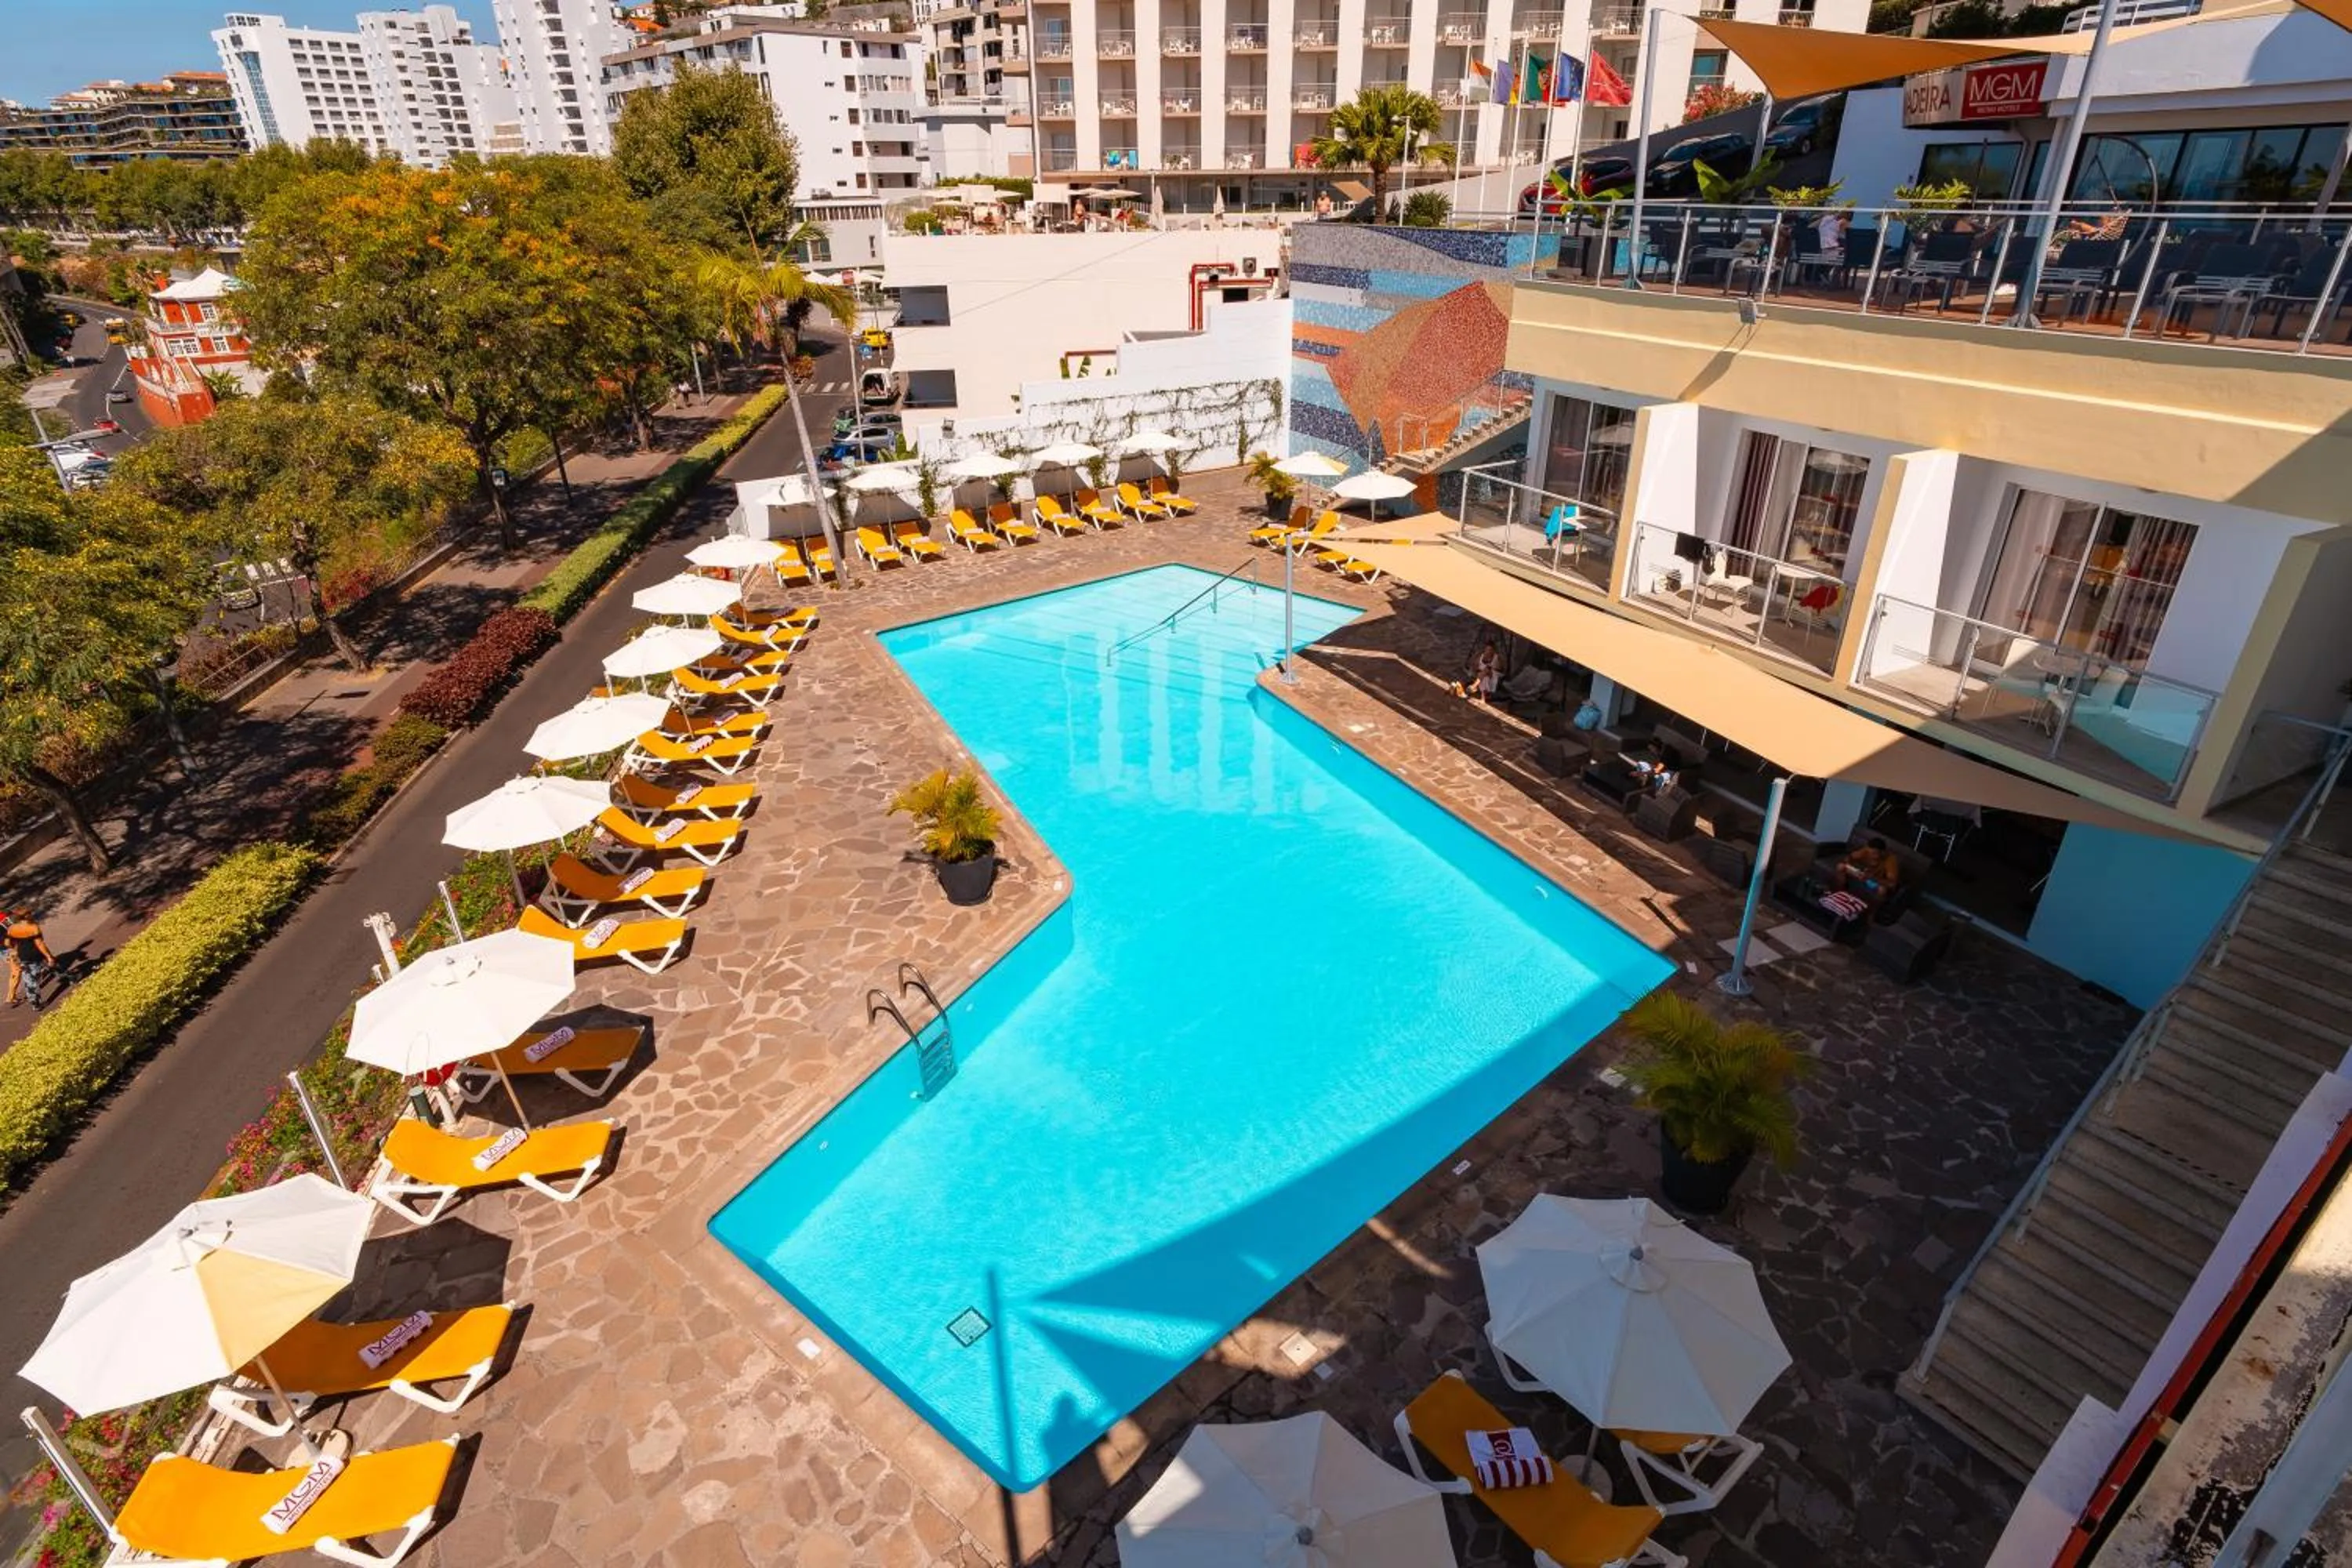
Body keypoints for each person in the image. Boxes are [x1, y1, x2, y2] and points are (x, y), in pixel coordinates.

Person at [3, 910, 56, 1009]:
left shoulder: (9, 923)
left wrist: (15, 947)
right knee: (30, 974)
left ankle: (33, 1002)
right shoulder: (32, 926)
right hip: (30, 954)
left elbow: (7, 942)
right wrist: (49, 956)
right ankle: (69, 976)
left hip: (21, 954)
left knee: (27, 977)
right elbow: (40, 943)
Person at [1835, 837, 1901, 906]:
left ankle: (1871, 912)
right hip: (1862, 874)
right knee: (1841, 866)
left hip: (1874, 880)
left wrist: (1871, 877)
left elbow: (1892, 884)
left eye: (1875, 854)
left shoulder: (1890, 860)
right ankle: (1839, 894)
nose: (1871, 855)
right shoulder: (1866, 850)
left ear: (1883, 852)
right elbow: (1849, 857)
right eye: (1870, 853)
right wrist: (1852, 866)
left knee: (1882, 890)